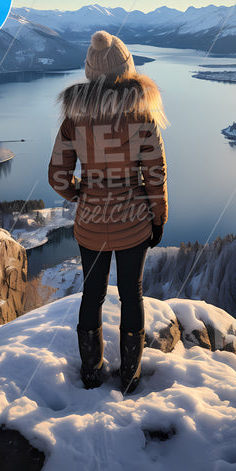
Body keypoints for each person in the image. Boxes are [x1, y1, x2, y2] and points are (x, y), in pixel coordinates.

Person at [48, 30, 168, 394]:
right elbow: (156, 175)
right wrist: (158, 217)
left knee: (92, 294)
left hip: (90, 222)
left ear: (89, 70)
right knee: (132, 294)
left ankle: (91, 371)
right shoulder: (141, 116)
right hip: (133, 222)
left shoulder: (73, 119)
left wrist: (83, 194)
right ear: (126, 67)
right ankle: (130, 376)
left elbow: (57, 177)